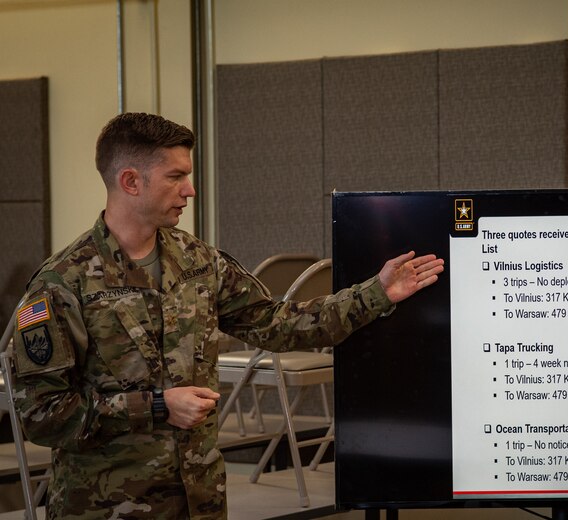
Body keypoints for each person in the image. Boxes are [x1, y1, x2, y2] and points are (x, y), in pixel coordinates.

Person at [11, 112, 444, 520]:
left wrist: (377, 293)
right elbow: (42, 415)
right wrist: (157, 407)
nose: (190, 190)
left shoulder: (197, 260)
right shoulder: (62, 283)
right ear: (130, 181)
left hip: (200, 500)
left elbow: (277, 324)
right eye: (176, 176)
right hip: (106, 506)